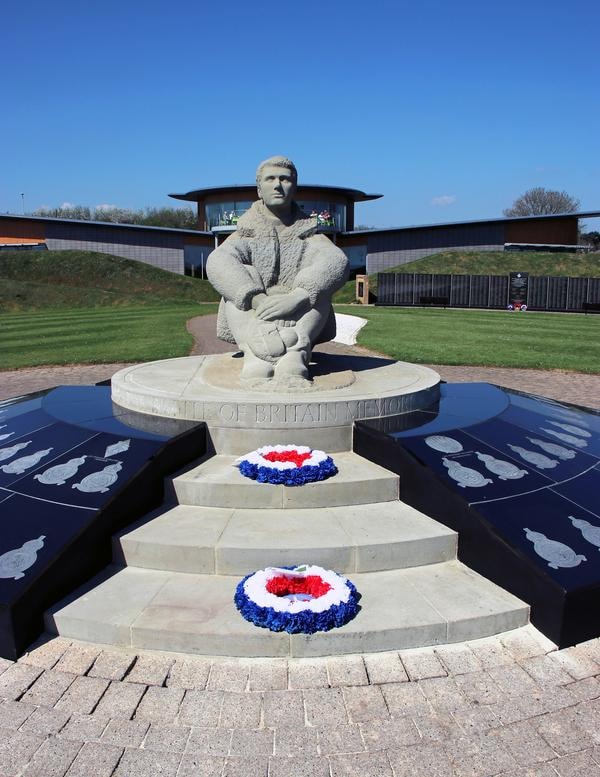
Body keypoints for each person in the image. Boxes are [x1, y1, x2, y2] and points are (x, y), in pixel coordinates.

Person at [206, 156, 349, 382]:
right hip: (256, 313)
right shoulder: (246, 232)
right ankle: (256, 354)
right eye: (270, 179)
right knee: (240, 278)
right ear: (259, 189)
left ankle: (296, 353)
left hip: (298, 315)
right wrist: (256, 298)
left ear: (294, 187)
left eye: (285, 179)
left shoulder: (309, 233)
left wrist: (299, 296)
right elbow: (218, 261)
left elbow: (336, 261)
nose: (277, 185)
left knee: (317, 283)